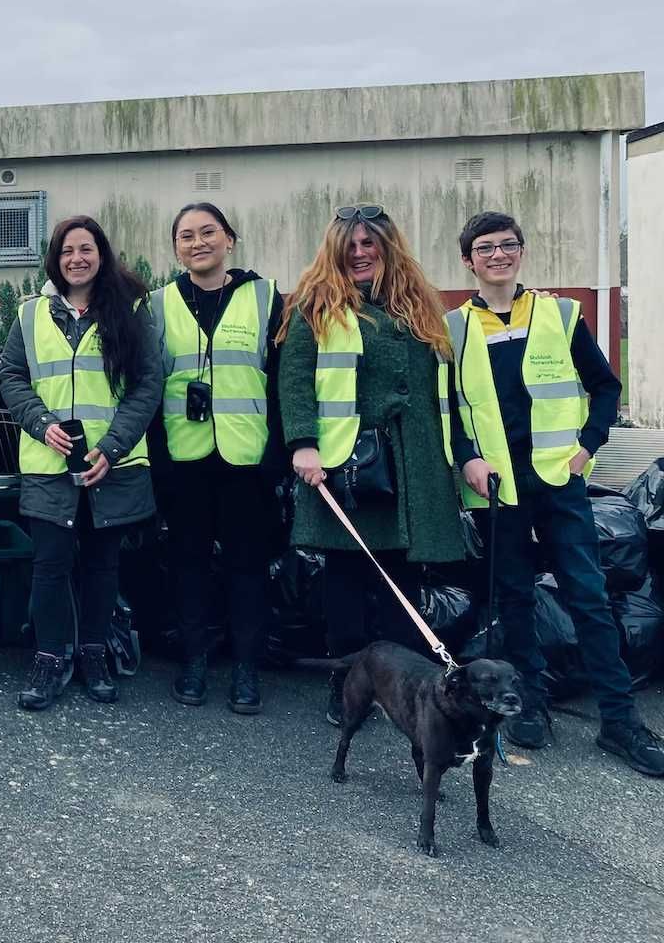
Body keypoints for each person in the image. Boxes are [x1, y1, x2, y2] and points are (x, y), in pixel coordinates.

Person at [447, 211, 664, 776]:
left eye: (508, 245)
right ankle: (530, 703)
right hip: (497, 489)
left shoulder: (560, 314)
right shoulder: (452, 329)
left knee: (589, 597)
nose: (498, 255)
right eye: (485, 248)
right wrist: (467, 458)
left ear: (521, 251)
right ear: (468, 260)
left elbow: (604, 387)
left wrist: (587, 448)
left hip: (560, 483)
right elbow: (448, 409)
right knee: (515, 598)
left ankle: (620, 721)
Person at [277, 204, 468, 725]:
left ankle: (403, 687)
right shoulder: (315, 307)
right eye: (350, 246)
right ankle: (347, 684)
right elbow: (295, 380)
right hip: (351, 463)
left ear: (387, 246)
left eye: (369, 243)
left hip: (414, 466)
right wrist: (303, 443)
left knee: (402, 580)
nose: (359, 253)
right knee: (345, 577)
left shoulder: (421, 306)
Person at [0, 215, 160, 711]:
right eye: (67, 250)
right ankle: (49, 657)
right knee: (49, 565)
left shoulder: (131, 311)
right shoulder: (30, 314)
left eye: (86, 249)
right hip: (49, 464)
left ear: (101, 254)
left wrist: (111, 447)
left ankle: (93, 654)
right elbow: (11, 376)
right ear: (55, 259)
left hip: (111, 464)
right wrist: (40, 422)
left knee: (102, 567)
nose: (77, 258)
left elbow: (147, 384)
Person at [150, 203, 286, 714]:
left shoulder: (266, 297)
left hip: (246, 459)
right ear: (176, 248)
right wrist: (158, 460)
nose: (198, 243)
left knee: (247, 567)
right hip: (183, 459)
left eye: (208, 232)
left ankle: (247, 668)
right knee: (188, 565)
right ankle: (195, 661)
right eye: (186, 236)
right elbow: (147, 384)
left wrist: (277, 455)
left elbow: (281, 381)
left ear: (230, 239)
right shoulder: (158, 304)